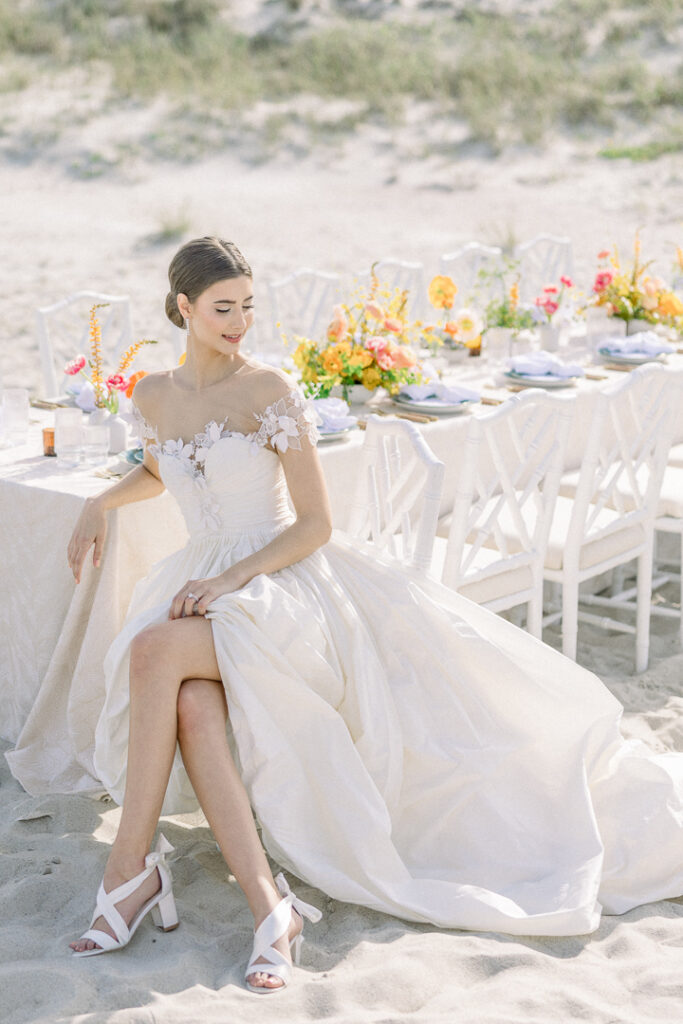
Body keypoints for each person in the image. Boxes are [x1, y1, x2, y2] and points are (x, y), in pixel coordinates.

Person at [67, 237, 683, 992]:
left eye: (248, 307)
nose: (239, 322)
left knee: (153, 652)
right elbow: (164, 467)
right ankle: (269, 906)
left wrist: (231, 579)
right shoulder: (152, 394)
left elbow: (314, 524)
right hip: (204, 577)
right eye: (222, 308)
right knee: (193, 704)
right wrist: (102, 499)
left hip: (276, 580)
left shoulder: (268, 388)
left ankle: (127, 872)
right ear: (183, 308)